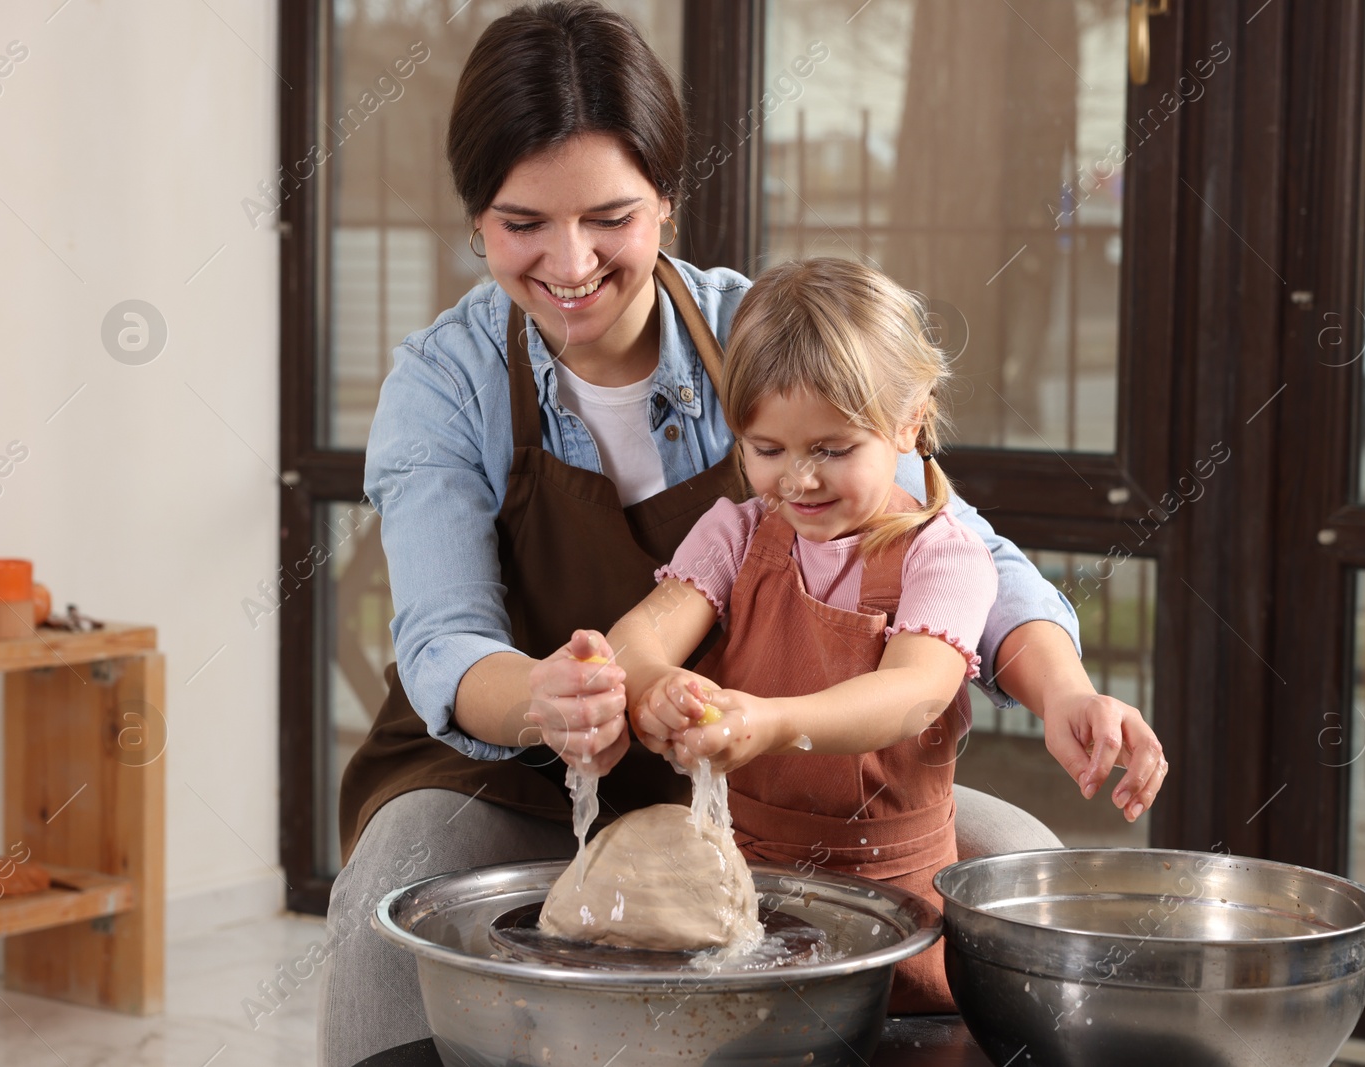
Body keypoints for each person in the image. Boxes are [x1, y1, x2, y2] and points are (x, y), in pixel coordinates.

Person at [321, 2, 1166, 1063]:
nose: (570, 262)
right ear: (476, 219)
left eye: (611, 216)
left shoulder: (757, 332)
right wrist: (550, 696)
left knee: (1015, 860)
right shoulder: (443, 382)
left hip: (736, 766)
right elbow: (446, 635)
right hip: (509, 768)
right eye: (521, 222)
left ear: (668, 200)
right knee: (396, 870)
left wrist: (1065, 691)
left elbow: (966, 556)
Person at [610, 257, 1020, 1012]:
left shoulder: (944, 553)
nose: (797, 480)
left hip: (894, 911)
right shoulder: (735, 533)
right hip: (742, 894)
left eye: (831, 449)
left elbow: (911, 695)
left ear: (909, 420)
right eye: (767, 450)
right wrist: (654, 688)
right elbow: (638, 640)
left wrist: (772, 722)